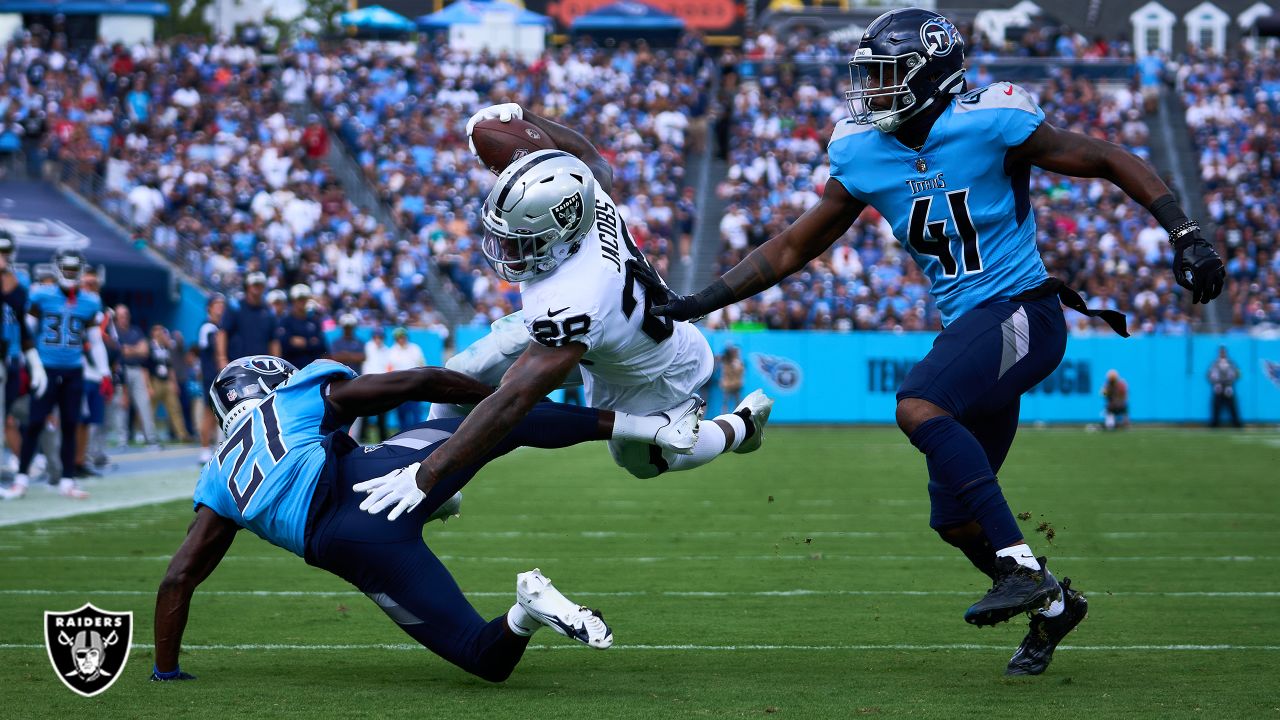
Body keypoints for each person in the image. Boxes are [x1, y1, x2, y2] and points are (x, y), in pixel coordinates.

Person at [645, 8, 1226, 676]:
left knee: (919, 404)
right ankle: (1055, 607)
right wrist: (699, 300)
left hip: (1025, 312)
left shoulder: (989, 122)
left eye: (886, 77)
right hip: (972, 331)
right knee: (953, 521)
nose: (872, 92)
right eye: (869, 77)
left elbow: (1106, 156)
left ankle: (1020, 566)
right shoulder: (862, 151)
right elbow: (793, 246)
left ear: (932, 76)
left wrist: (1185, 233)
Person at [151, 355, 702, 683]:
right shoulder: (294, 398)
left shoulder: (217, 477)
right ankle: (651, 427)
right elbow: (414, 382)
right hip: (377, 478)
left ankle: (526, 612)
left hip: (355, 545)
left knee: (483, 660)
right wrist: (500, 401)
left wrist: (167, 670)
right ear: (272, 381)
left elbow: (178, 578)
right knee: (507, 423)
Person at [424, 104, 773, 488]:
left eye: (521, 241)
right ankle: (437, 490)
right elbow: (589, 158)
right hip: (612, 330)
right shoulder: (585, 200)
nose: (507, 251)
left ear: (559, 234)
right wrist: (525, 118)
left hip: (645, 371)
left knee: (644, 463)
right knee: (459, 374)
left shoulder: (578, 296)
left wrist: (431, 472)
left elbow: (513, 400)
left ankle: (739, 429)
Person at [2, 249, 105, 500]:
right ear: (57, 269)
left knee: (70, 425)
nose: (69, 274)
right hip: (45, 369)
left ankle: (67, 480)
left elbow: (95, 340)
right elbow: (27, 333)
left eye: (74, 270)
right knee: (35, 423)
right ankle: (21, 480)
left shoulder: (89, 301)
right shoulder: (41, 296)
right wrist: (32, 364)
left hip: (73, 370)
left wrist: (104, 373)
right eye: (66, 269)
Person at [0, 230, 42, 476]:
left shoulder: (21, 279)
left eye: (5, 252)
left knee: (8, 416)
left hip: (13, 356)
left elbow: (15, 299)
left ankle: (25, 462)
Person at [116, 304, 157, 447]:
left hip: (138, 370)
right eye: (120, 316)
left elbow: (145, 350)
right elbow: (119, 352)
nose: (123, 318)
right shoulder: (114, 331)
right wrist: (135, 349)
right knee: (122, 405)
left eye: (125, 315)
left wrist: (128, 349)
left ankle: (150, 439)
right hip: (120, 371)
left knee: (144, 403)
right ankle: (122, 440)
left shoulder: (135, 330)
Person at [220, 272, 281, 363]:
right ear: (247, 286)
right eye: (255, 284)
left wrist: (276, 363)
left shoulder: (269, 312)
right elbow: (223, 333)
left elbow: (273, 340)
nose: (257, 288)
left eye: (260, 285)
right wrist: (222, 358)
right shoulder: (236, 307)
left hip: (261, 365)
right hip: (237, 363)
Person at [149, 325, 190, 444]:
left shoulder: (166, 348)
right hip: (154, 379)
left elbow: (170, 366)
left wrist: (174, 382)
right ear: (153, 333)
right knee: (151, 409)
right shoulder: (149, 346)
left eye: (162, 332)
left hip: (166, 380)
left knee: (175, 407)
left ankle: (182, 434)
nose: (161, 334)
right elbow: (145, 367)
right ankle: (147, 434)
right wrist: (148, 385)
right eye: (158, 332)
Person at [197, 294, 225, 463]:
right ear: (209, 307)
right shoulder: (207, 328)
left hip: (219, 376)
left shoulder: (220, 327)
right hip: (210, 377)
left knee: (219, 414)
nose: (220, 308)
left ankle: (217, 446)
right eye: (217, 304)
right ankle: (204, 449)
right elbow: (213, 348)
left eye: (222, 304)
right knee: (209, 413)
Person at [277, 283, 327, 369]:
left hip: (312, 368)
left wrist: (303, 343)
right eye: (299, 299)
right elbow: (284, 346)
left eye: (304, 299)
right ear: (293, 300)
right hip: (291, 368)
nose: (302, 302)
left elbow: (322, 346)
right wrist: (310, 342)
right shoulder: (285, 321)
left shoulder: (314, 321)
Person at [387, 328, 427, 430]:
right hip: (398, 387)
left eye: (402, 336)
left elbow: (422, 365)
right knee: (401, 414)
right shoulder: (391, 352)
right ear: (396, 338)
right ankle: (403, 435)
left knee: (415, 412)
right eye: (398, 337)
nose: (401, 339)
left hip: (414, 385)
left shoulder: (415, 349)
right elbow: (389, 370)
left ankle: (418, 433)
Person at [360, 327, 391, 443]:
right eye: (376, 337)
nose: (378, 339)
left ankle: (382, 437)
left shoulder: (386, 350)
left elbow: (388, 367)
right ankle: (363, 436)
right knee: (364, 412)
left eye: (380, 337)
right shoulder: (367, 346)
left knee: (381, 412)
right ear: (373, 337)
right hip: (367, 382)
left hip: (381, 384)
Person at [1208, 347, 1242, 428]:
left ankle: (1236, 423)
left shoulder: (1231, 363)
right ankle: (1215, 423)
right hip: (1218, 387)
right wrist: (1215, 384)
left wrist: (1230, 385)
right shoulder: (1215, 363)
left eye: (1224, 352)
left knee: (1232, 406)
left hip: (1228, 386)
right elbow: (1210, 375)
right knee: (1216, 406)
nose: (1222, 354)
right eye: (1221, 352)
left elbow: (1237, 374)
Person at [719, 346, 745, 414]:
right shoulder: (734, 362)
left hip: (730, 384)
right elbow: (740, 371)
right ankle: (734, 415)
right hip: (733, 384)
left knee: (730, 401)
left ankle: (729, 415)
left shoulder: (728, 362)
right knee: (730, 401)